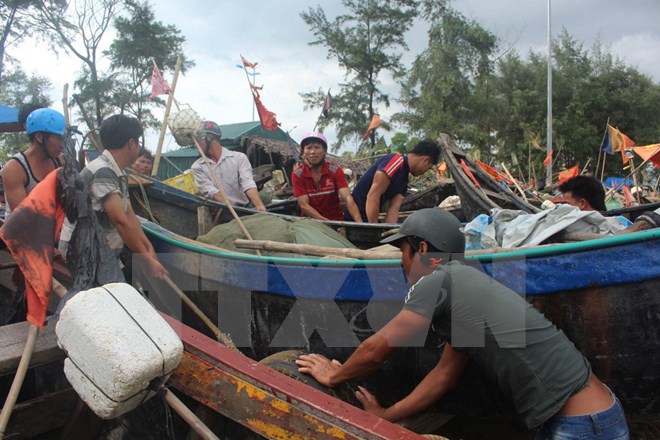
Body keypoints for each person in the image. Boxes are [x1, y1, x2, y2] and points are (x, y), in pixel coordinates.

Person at [297, 208, 629, 439]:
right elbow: (443, 376)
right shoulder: (464, 285)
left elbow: (377, 349)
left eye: (403, 251)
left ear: (422, 249)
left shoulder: (438, 279)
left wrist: (335, 374)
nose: (401, 262)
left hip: (583, 424)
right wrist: (386, 415)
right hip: (596, 414)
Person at [59, 114, 166, 279]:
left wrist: (148, 248)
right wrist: (146, 260)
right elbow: (120, 220)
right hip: (84, 256)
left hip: (103, 253)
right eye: (138, 141)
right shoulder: (103, 171)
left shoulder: (118, 171)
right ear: (131, 143)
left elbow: (129, 214)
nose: (139, 147)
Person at [350, 140, 440, 223]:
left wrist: (390, 231)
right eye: (428, 168)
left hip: (369, 220)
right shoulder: (395, 162)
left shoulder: (404, 181)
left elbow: (393, 209)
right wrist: (374, 228)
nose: (425, 172)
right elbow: (373, 196)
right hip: (356, 219)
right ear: (425, 160)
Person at [191, 121, 266, 211]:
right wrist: (232, 208)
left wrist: (259, 206)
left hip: (242, 209)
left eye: (198, 139)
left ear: (209, 138)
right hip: (217, 212)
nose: (195, 144)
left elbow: (248, 183)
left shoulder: (239, 158)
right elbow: (211, 191)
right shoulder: (197, 167)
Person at [2, 108, 64, 214]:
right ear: (39, 137)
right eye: (59, 139)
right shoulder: (14, 169)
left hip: (54, 225)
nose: (62, 145)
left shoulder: (60, 161)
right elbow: (23, 217)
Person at [291, 132, 362, 222]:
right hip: (311, 223)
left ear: (324, 151)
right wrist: (326, 222)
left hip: (336, 221)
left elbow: (347, 198)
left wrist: (360, 223)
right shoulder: (298, 174)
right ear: (303, 152)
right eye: (309, 148)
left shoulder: (335, 170)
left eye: (317, 147)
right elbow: (304, 205)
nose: (313, 152)